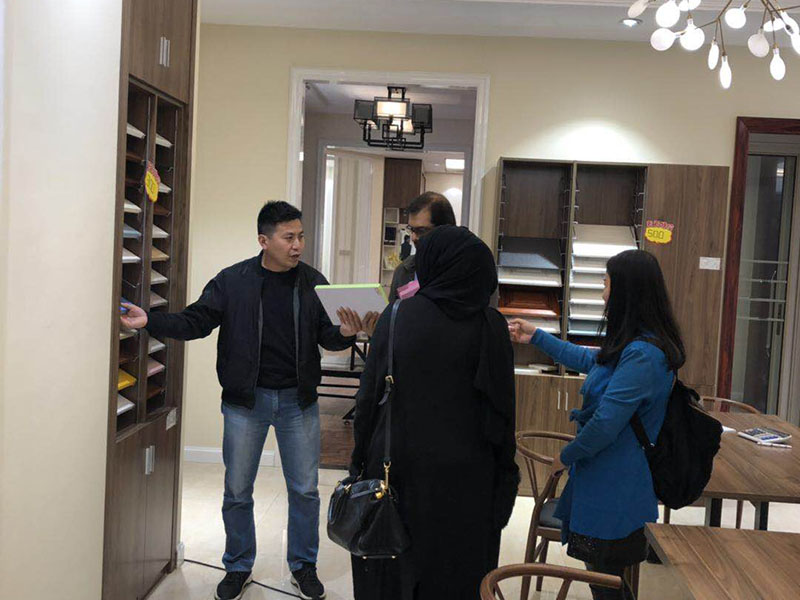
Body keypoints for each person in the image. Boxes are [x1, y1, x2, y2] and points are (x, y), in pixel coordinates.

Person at [120, 201, 366, 600]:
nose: (298, 245)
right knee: (237, 490)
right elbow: (196, 321)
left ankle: (303, 566)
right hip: (244, 404)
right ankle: (237, 566)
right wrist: (151, 320)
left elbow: (328, 336)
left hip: (298, 402)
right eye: (289, 237)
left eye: (301, 236)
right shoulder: (232, 281)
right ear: (263, 240)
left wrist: (347, 333)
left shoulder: (313, 282)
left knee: (305, 490)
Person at [349, 226, 520, 600]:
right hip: (469, 479)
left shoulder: (397, 317)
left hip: (399, 470)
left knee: (393, 574)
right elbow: (503, 412)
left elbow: (368, 400)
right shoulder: (491, 325)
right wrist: (505, 476)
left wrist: (358, 460)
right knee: (458, 575)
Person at [509, 249, 685, 600]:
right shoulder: (635, 344)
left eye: (606, 284)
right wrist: (537, 337)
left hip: (616, 485)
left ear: (626, 292)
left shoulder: (643, 354)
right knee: (604, 579)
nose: (603, 294)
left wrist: (566, 456)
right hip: (605, 478)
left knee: (606, 582)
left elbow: (606, 423)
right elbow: (593, 360)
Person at [388, 191, 456, 303]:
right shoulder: (404, 270)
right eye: (412, 230)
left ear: (446, 229)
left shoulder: (468, 271)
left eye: (421, 230)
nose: (414, 237)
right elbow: (394, 311)